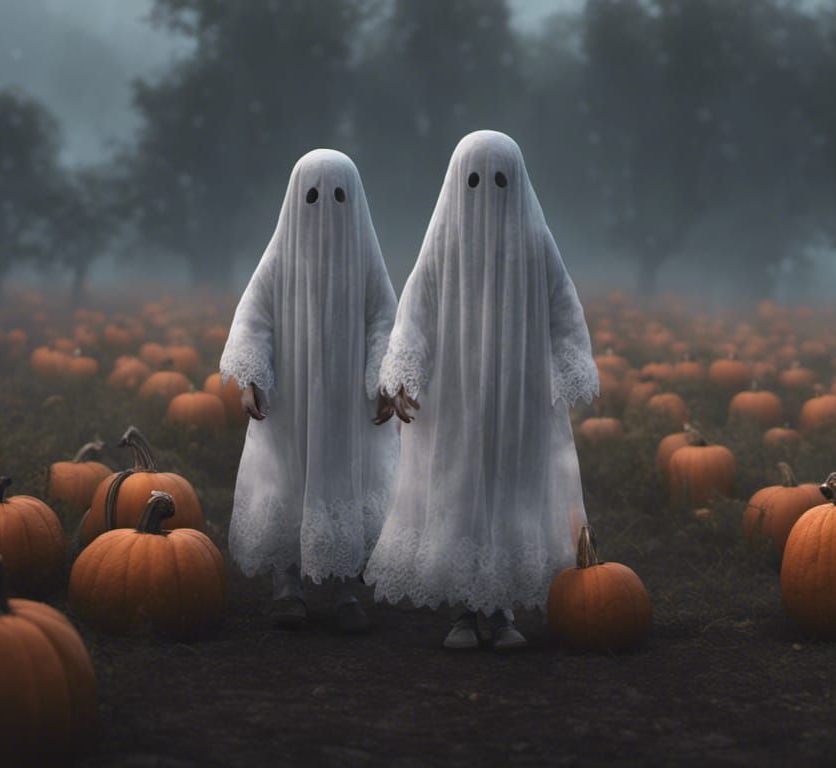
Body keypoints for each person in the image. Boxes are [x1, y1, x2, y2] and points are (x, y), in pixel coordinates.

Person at [365, 130, 598, 652]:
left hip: (518, 401)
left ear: (516, 183)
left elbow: (564, 309)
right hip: (456, 402)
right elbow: (415, 314)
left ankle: (502, 608)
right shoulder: (444, 242)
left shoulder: (535, 242)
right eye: (474, 180)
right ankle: (465, 611)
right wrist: (402, 373)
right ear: (455, 183)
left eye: (498, 180)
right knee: (459, 491)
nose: (486, 192)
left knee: (511, 492)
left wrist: (570, 368)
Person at [219, 149, 399, 633]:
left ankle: (343, 586)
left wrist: (380, 378)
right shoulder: (279, 258)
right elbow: (253, 318)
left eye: (338, 196)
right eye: (313, 197)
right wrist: (253, 374)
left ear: (354, 201)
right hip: (290, 403)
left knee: (342, 481)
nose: (325, 209)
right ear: (295, 200)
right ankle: (288, 585)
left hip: (344, 404)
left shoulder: (364, 258)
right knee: (287, 479)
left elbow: (384, 318)